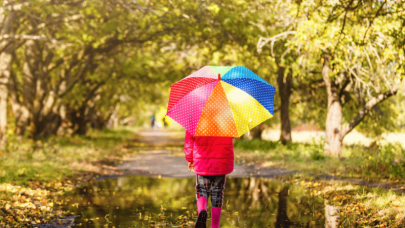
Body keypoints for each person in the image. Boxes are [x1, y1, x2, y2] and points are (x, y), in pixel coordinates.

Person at [184, 131, 234, 228]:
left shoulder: (196, 118)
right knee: (217, 192)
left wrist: (190, 158)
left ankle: (202, 209)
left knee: (202, 190)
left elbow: (189, 140)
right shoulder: (227, 117)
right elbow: (231, 137)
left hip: (202, 160)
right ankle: (215, 226)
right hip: (221, 160)